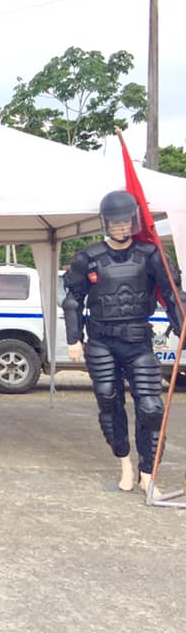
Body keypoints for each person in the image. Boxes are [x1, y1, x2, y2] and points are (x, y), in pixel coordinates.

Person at [64, 190, 184, 496]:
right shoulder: (88, 258)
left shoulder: (151, 254)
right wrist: (74, 338)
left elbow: (173, 294)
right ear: (106, 223)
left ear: (134, 221)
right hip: (101, 341)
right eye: (115, 222)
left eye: (126, 221)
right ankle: (125, 465)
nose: (121, 227)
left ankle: (148, 473)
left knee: (151, 407)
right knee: (108, 400)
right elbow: (73, 300)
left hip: (138, 341)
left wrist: (183, 328)